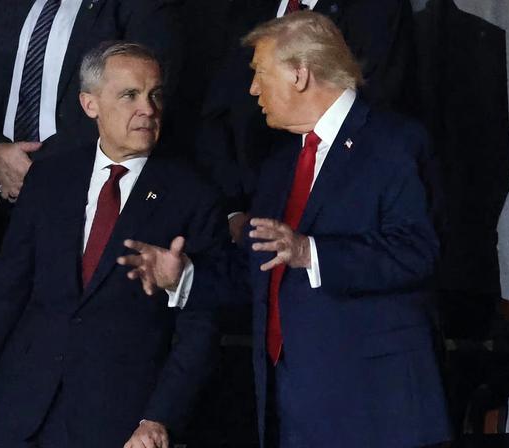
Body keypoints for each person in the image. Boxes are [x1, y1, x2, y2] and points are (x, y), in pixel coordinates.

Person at [119, 12, 451, 447]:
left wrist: (312, 253)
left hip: (378, 408)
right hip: (293, 407)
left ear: (299, 73)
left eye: (258, 74)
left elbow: (418, 251)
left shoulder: (394, 142)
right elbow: (256, 272)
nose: (252, 89)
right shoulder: (278, 167)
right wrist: (183, 277)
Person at [0, 42, 221, 448]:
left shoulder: (191, 195)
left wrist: (158, 419)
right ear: (89, 103)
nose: (147, 108)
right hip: (16, 416)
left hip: (118, 426)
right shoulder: (50, 179)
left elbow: (201, 327)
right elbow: (3, 296)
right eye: (129, 95)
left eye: (154, 94)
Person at [0, 0, 184, 332]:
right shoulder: (3, 6)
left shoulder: (135, 9)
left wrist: (38, 172)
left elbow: (134, 102)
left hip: (79, 208)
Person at [196, 0, 416, 242]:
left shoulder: (376, 9)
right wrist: (233, 210)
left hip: (335, 219)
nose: (254, 89)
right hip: (248, 212)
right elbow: (217, 114)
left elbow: (377, 109)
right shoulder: (242, 10)